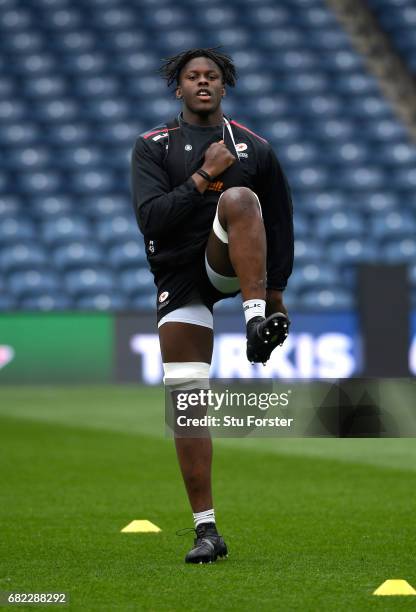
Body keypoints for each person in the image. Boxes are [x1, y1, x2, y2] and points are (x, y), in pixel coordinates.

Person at [131, 48, 293, 564]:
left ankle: (252, 322)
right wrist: (204, 176)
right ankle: (207, 531)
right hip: (180, 276)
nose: (203, 82)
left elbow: (281, 223)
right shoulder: (152, 147)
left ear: (225, 88)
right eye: (192, 76)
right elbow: (152, 220)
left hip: (228, 262)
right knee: (186, 401)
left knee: (242, 201)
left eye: (213, 77)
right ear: (177, 89)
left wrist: (275, 296)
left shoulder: (255, 148)